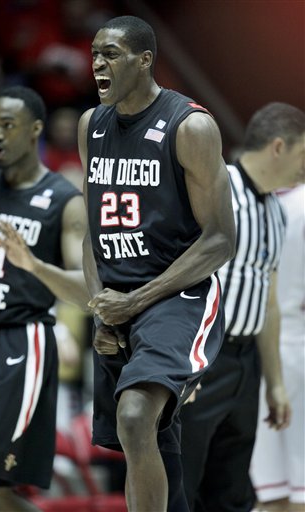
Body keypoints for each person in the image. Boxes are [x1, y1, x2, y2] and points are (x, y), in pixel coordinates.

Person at [78, 15, 236, 512]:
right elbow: (92, 232)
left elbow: (220, 240)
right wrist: (101, 309)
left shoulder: (191, 126)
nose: (98, 64)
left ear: (144, 60)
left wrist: (136, 301)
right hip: (117, 299)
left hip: (175, 298)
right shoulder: (91, 125)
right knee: (152, 446)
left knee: (133, 417)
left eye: (111, 54)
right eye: (95, 54)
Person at [0, 85, 88, 512]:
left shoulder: (64, 202)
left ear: (34, 131)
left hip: (20, 345)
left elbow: (89, 291)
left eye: (7, 126)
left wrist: (33, 265)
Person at [180, 102, 305, 512]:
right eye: (303, 155)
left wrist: (274, 383)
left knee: (232, 492)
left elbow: (267, 304)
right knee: (182, 486)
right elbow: (175, 276)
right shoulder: (217, 188)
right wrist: (178, 362)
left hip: (245, 363)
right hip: (202, 360)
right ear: (278, 147)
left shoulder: (276, 211)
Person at [250, 183, 305, 512]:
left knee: (269, 491)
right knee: (295, 489)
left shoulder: (251, 199)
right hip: (293, 340)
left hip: (258, 345)